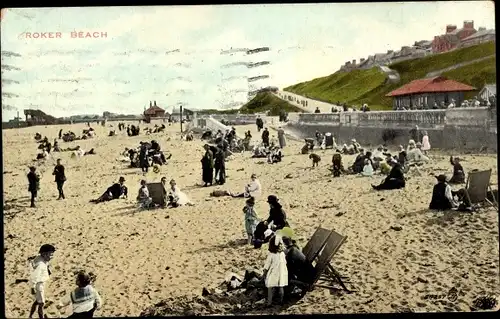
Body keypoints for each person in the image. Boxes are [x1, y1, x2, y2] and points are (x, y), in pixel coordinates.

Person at [29, 244, 56, 319]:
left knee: (37, 301)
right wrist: (33, 287)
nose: (51, 257)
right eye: (50, 255)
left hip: (39, 284)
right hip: (39, 285)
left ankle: (30, 316)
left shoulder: (40, 258)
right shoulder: (41, 265)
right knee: (41, 303)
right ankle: (41, 317)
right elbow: (35, 276)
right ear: (44, 254)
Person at [263, 235, 288, 306]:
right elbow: (285, 263)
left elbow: (267, 265)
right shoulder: (282, 254)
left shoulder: (271, 254)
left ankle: (269, 302)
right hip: (282, 272)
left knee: (270, 287)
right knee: (281, 286)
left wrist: (264, 273)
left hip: (274, 273)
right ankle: (281, 301)